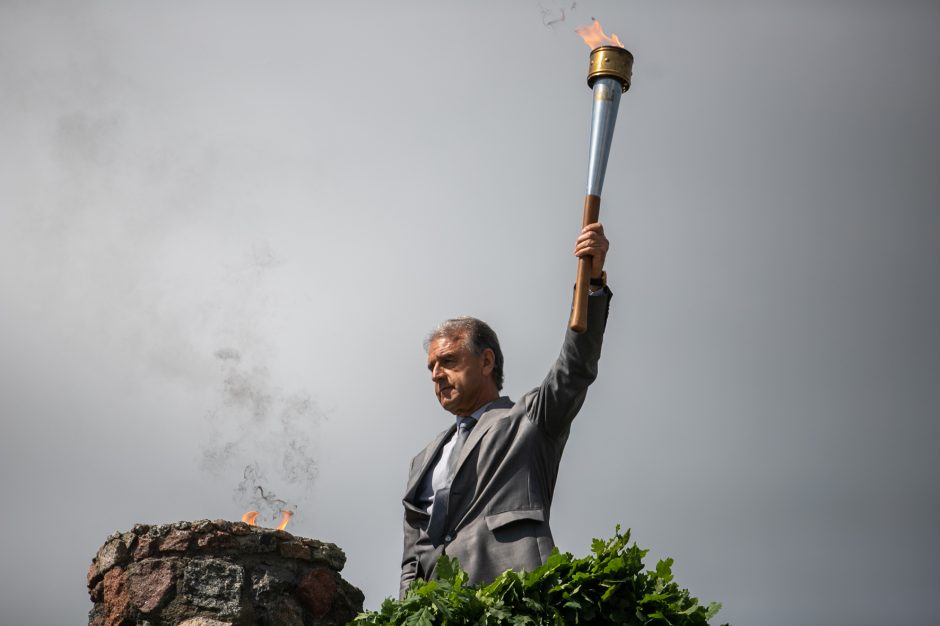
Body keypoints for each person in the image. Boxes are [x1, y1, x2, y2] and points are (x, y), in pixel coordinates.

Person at [399, 223, 612, 597]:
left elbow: (574, 368)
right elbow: (413, 559)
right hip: (442, 611)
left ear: (486, 362)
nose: (437, 375)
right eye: (431, 367)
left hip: (513, 595)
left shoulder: (530, 420)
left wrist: (590, 283)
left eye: (448, 361)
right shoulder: (422, 462)